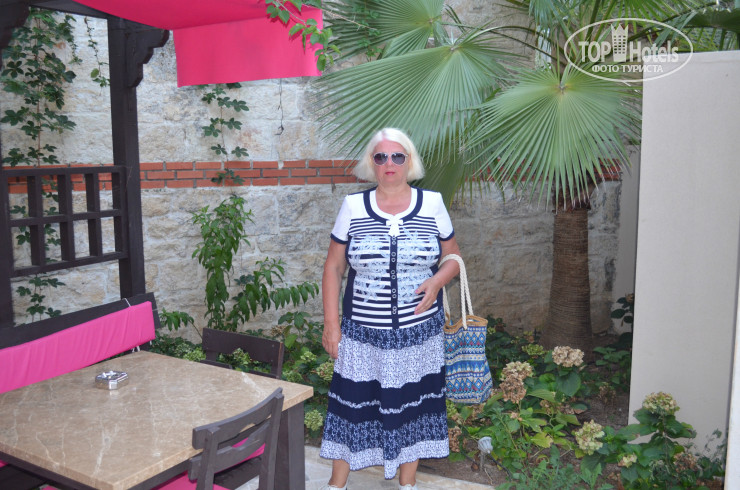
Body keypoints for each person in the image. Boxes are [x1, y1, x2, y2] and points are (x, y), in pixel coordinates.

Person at [320, 128, 461, 490]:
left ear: (409, 161)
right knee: (352, 406)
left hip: (419, 334)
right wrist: (332, 324)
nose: (389, 163)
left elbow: (453, 258)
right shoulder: (354, 207)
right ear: (372, 163)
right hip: (362, 334)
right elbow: (334, 267)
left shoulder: (432, 204)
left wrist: (437, 281)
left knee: (413, 407)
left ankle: (407, 483)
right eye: (380, 156)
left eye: (397, 156)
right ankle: (336, 484)